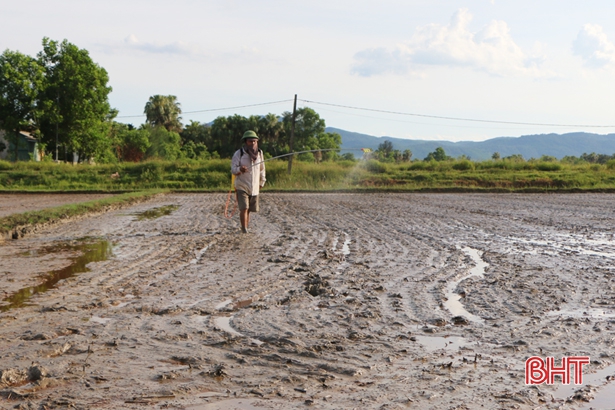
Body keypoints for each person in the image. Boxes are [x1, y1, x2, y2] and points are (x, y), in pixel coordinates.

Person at [231, 130, 266, 233]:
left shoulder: (260, 153)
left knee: (249, 209)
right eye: (250, 141)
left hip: (254, 186)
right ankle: (244, 229)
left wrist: (262, 182)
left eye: (255, 141)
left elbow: (262, 168)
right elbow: (233, 169)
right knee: (244, 208)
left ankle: (246, 226)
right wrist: (240, 170)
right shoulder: (239, 154)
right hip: (242, 185)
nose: (253, 143)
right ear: (246, 142)